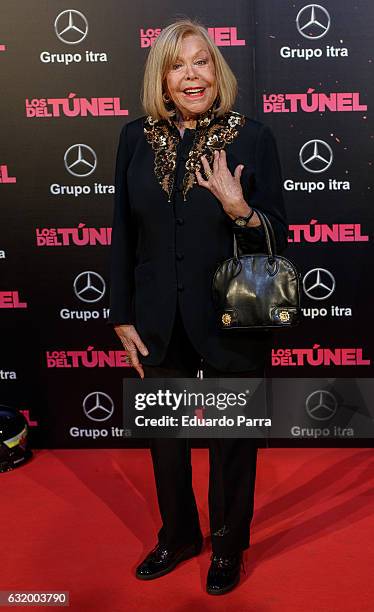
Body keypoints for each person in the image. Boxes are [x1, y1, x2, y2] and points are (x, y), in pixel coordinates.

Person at [108, 19, 287, 595]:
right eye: (177, 65)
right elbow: (123, 234)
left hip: (232, 314)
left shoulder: (254, 137)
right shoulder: (134, 139)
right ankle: (180, 535)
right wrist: (121, 312)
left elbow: (279, 236)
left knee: (233, 443)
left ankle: (228, 545)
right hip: (159, 316)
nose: (192, 75)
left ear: (218, 70)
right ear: (161, 80)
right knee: (167, 439)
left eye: (202, 62)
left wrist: (241, 210)